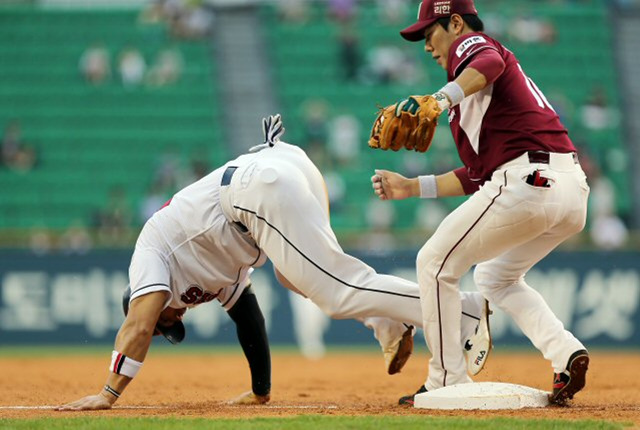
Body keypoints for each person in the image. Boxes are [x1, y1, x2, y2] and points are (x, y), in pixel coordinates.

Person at [57, 114, 490, 411]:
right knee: (295, 275)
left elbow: (137, 325)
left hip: (258, 190)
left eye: (168, 321)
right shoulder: (200, 277)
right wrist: (260, 392)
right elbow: (249, 319)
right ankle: (387, 322)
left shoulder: (148, 257)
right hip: (282, 169)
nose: (176, 316)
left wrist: (109, 392)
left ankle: (464, 312)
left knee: (339, 291)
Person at [371, 0, 590, 406]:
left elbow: (488, 59)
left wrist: (439, 99)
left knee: (434, 263)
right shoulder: (472, 104)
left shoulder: (471, 46)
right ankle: (565, 353)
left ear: (454, 23)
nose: (425, 45)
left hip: (527, 182)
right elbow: (476, 176)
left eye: (429, 32)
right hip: (570, 190)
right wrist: (409, 187)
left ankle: (446, 379)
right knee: (493, 278)